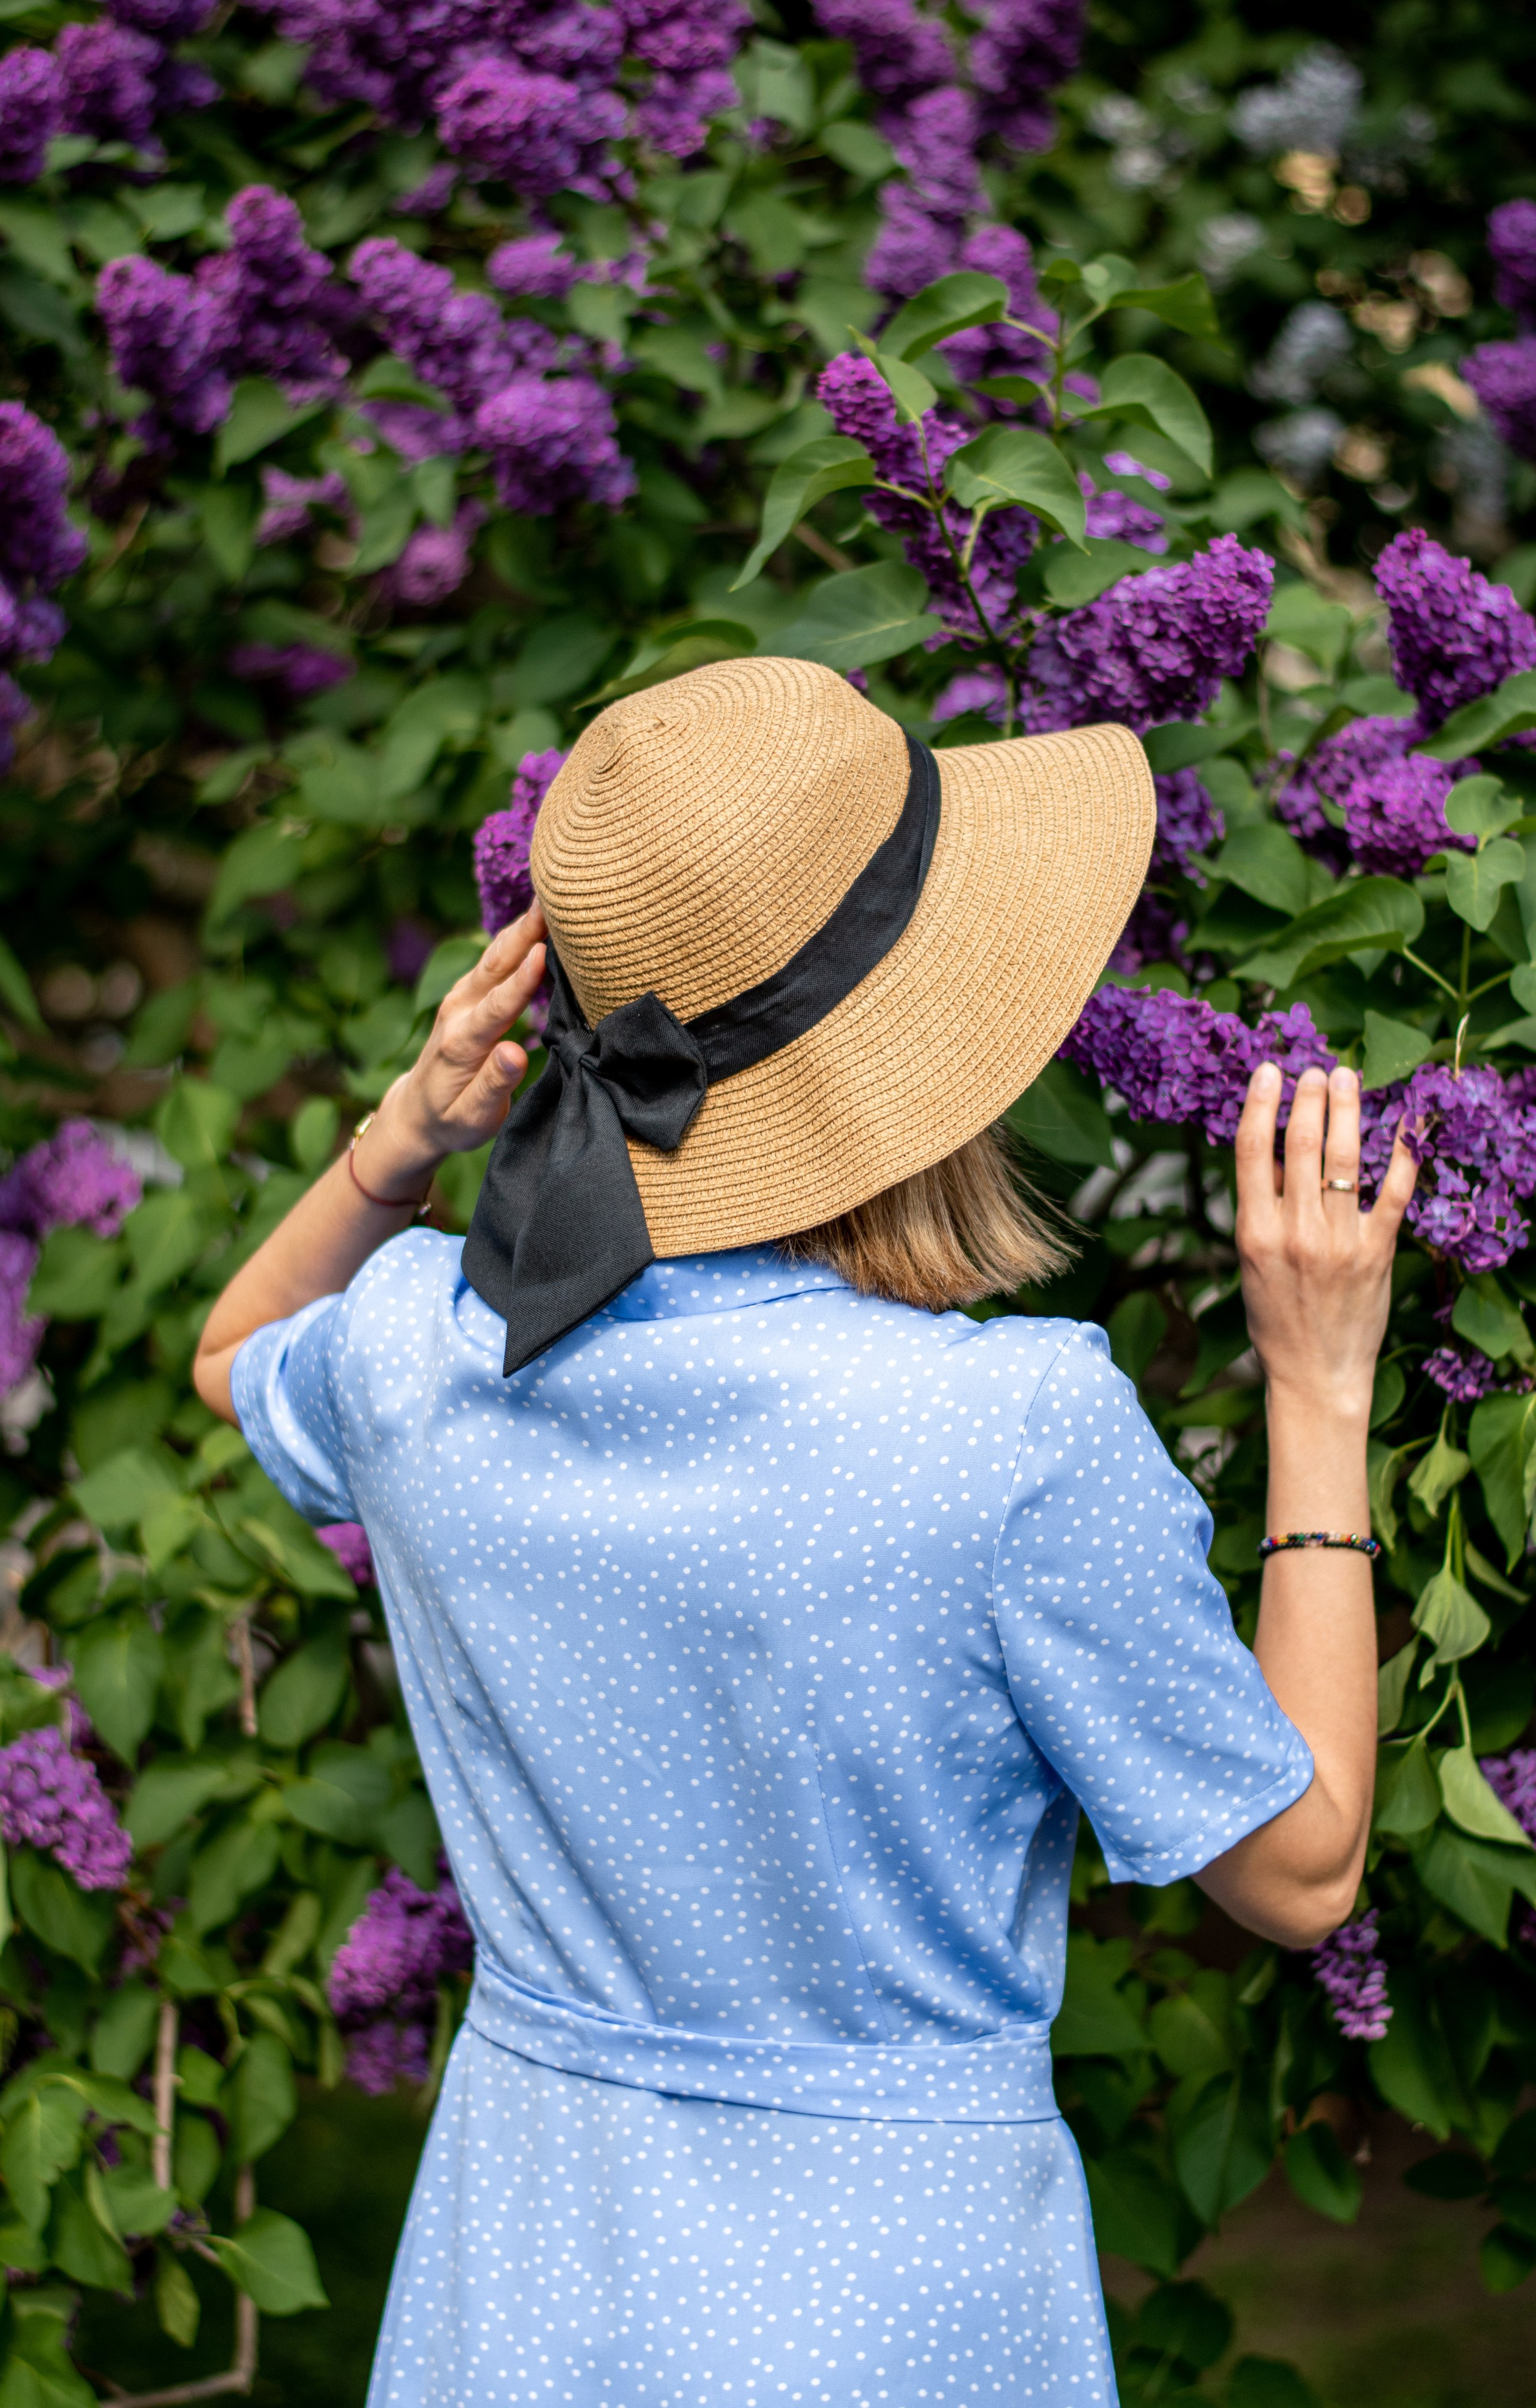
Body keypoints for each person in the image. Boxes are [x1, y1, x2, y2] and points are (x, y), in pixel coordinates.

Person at [195, 658, 1415, 2408]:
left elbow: (231, 1353)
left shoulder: (421, 1354)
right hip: (891, 2315)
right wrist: (1318, 1388)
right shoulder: (1011, 1433)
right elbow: (1301, 1872)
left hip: (522, 2283)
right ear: (921, 1043)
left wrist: (408, 1130)